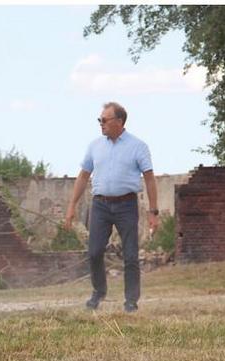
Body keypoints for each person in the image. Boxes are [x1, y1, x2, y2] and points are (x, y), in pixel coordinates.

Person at [64, 102, 159, 313]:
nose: (101, 124)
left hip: (126, 205)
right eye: (100, 120)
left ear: (119, 121)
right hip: (100, 205)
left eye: (104, 120)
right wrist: (72, 206)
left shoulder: (138, 146)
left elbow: (150, 180)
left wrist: (153, 212)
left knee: (131, 255)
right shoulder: (95, 146)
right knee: (94, 252)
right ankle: (99, 291)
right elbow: (83, 176)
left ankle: (131, 300)